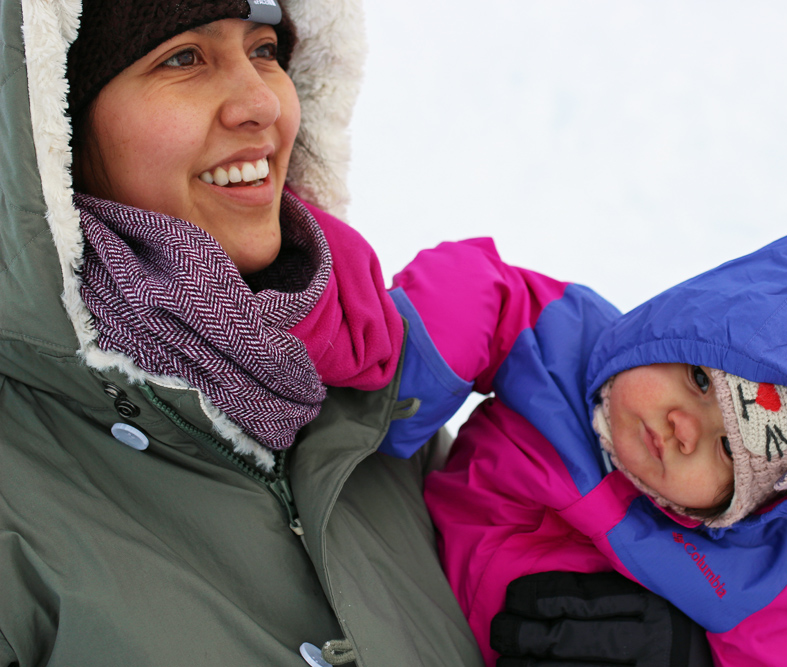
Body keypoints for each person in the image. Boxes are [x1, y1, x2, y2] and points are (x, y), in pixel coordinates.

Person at [1, 1, 486, 665]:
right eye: (183, 58)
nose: (260, 102)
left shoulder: (382, 407)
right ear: (50, 128)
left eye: (264, 49)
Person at [301, 230, 787, 666]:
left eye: (727, 450)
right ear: (678, 327)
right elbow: (482, 289)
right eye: (701, 378)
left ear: (761, 500)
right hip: (411, 593)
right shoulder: (565, 343)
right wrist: (411, 376)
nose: (684, 426)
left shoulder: (766, 571)